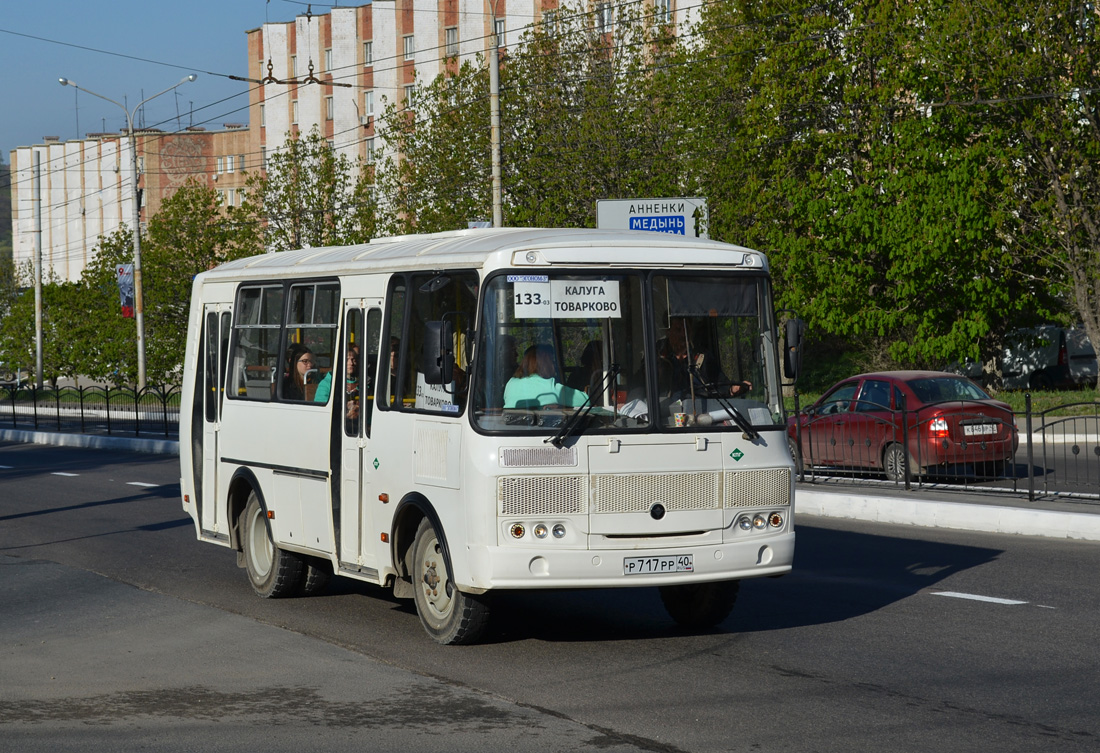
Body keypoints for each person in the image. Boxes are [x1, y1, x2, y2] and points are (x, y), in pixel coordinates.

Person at [657, 317, 751, 398]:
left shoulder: (702, 356)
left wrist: (733, 389)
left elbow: (720, 383)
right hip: (668, 416)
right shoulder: (656, 357)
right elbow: (644, 391)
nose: (683, 335)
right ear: (668, 332)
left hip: (700, 415)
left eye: (686, 330)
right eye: (678, 330)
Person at [503, 344, 588, 410]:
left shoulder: (511, 384)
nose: (554, 365)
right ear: (546, 364)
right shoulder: (550, 387)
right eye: (552, 361)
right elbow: (586, 401)